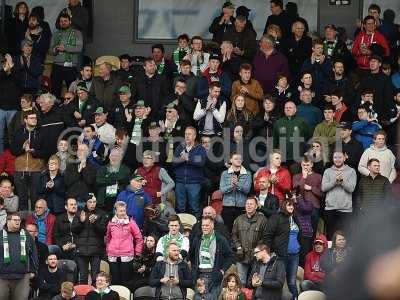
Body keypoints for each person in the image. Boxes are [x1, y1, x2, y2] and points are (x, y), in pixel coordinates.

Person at [189, 216, 233, 298]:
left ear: (212, 226)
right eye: (203, 225)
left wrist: (222, 270)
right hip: (199, 275)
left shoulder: (220, 239)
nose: (204, 227)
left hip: (214, 276)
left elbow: (230, 256)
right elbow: (191, 254)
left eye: (207, 225)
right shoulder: (197, 238)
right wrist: (194, 268)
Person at [10, 111, 46, 210]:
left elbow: (46, 151)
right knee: (22, 200)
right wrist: (22, 149)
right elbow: (13, 150)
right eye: (31, 118)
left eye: (35, 118)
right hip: (20, 170)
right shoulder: (18, 132)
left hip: (36, 170)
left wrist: (34, 151)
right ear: (25, 120)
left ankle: (35, 223)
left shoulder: (41, 132)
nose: (34, 120)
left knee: (36, 199)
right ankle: (24, 223)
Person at [0, 212, 38, 300]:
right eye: (15, 220)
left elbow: (34, 253)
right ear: (8, 221)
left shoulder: (26, 235)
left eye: (19, 220)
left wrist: (34, 270)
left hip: (22, 277)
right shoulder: (0, 235)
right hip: (2, 277)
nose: (18, 222)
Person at [106, 201, 143, 286]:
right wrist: (108, 249)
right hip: (113, 255)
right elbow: (108, 238)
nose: (123, 213)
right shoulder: (111, 223)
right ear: (116, 211)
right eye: (121, 211)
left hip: (127, 255)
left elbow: (139, 238)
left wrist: (137, 253)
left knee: (126, 281)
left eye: (124, 210)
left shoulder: (131, 222)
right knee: (115, 280)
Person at [321, 150, 357, 239]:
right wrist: (334, 182)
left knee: (346, 235)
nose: (337, 159)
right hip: (330, 208)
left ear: (344, 158)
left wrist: (342, 181)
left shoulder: (351, 171)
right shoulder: (327, 171)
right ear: (332, 159)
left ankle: (346, 253)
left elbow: (351, 189)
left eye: (340, 157)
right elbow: (323, 188)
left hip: (346, 209)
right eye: (335, 157)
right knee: (330, 235)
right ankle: (330, 253)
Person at [232, 197, 267, 285]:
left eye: (251, 204)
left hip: (256, 256)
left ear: (256, 206)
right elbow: (233, 235)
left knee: (255, 283)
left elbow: (266, 237)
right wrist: (238, 247)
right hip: (242, 255)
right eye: (247, 204)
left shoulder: (262, 220)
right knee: (241, 282)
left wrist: (258, 249)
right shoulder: (239, 219)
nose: (249, 206)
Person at [173, 127, 206, 218]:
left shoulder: (200, 148)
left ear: (194, 136)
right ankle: (180, 229)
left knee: (194, 208)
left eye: (189, 134)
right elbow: (174, 162)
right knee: (180, 208)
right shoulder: (180, 147)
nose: (187, 136)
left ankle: (194, 230)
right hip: (180, 182)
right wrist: (182, 159)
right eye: (186, 134)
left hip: (194, 183)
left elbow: (201, 161)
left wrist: (188, 158)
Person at [75, 194, 107, 285]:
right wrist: (81, 222)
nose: (92, 204)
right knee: (83, 278)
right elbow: (74, 230)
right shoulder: (79, 213)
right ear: (86, 203)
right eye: (90, 202)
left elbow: (104, 231)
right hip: (81, 251)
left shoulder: (101, 214)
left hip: (95, 251)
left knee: (95, 278)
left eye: (94, 202)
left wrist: (95, 223)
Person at [50, 13, 83, 98]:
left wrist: (65, 48)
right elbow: (50, 50)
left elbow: (79, 48)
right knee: (54, 91)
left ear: (70, 21)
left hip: (71, 66)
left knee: (72, 91)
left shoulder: (77, 33)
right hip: (57, 66)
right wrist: (56, 49)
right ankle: (55, 109)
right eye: (61, 21)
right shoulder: (56, 34)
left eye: (65, 21)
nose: (63, 23)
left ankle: (71, 109)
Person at [220, 152, 252, 233]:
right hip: (227, 206)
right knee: (227, 230)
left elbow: (247, 190)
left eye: (240, 159)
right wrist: (232, 185)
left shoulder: (247, 174)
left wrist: (237, 184)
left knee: (241, 231)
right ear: (231, 160)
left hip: (241, 207)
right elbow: (222, 190)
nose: (238, 160)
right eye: (236, 158)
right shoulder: (225, 173)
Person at [96, 147, 131, 213]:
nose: (113, 158)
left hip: (120, 202)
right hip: (104, 203)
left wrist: (107, 178)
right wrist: (116, 181)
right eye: (112, 155)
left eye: (116, 156)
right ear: (109, 156)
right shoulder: (102, 169)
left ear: (121, 158)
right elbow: (99, 181)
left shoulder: (125, 169)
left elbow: (124, 179)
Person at [293, 157, 323, 234]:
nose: (306, 167)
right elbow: (296, 191)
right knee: (301, 233)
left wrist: (311, 188)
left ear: (312, 164)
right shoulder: (296, 177)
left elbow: (322, 193)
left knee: (312, 232)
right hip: (300, 208)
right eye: (304, 165)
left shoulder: (318, 176)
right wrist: (304, 178)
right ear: (301, 165)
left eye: (308, 165)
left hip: (314, 208)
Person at [0, 53, 20, 156]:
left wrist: (11, 68)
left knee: (12, 135)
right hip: (1, 109)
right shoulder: (1, 71)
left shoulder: (16, 71)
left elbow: (18, 80)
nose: (7, 62)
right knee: (0, 135)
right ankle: (1, 157)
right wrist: (5, 70)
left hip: (13, 109)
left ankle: (13, 156)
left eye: (9, 60)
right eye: (5, 60)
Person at [37, 93, 66, 158]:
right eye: (40, 103)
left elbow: (70, 128)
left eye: (42, 102)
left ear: (50, 103)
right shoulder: (40, 117)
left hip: (60, 153)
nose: (40, 104)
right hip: (44, 154)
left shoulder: (61, 113)